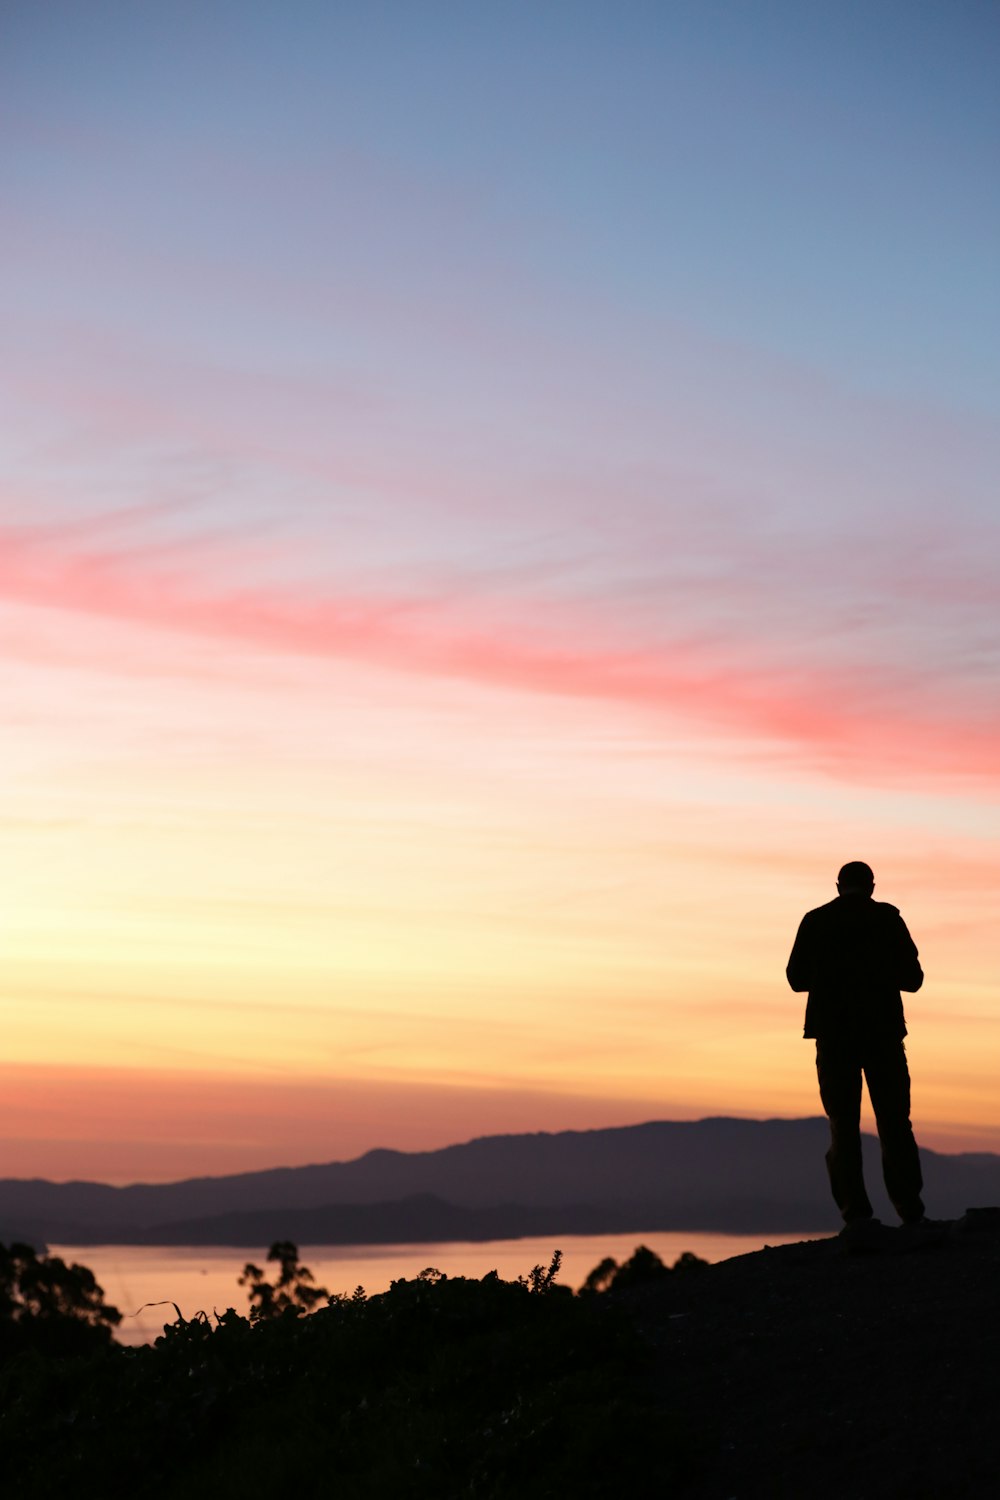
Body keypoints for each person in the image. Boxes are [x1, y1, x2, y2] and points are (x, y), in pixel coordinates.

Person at [786, 861, 926, 1228]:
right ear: (872, 886)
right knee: (895, 1123)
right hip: (883, 1036)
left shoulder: (815, 921)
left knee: (842, 1126)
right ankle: (910, 1211)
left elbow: (796, 979)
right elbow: (913, 980)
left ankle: (855, 1216)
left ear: (837, 886)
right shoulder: (887, 919)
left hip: (834, 1039)